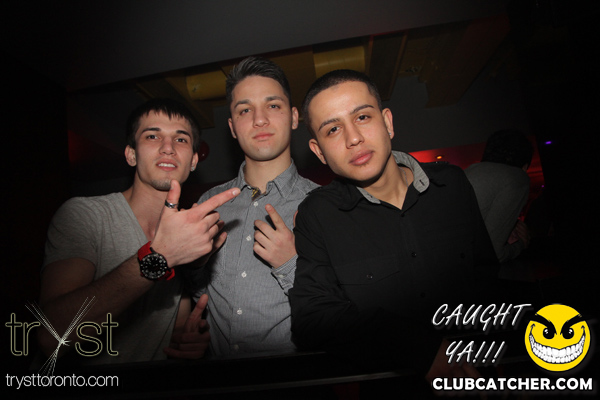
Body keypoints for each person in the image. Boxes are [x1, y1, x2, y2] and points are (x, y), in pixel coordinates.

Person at [289, 70, 497, 393]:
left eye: (362, 116)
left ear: (387, 122)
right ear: (319, 152)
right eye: (333, 129)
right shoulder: (318, 215)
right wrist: (418, 347)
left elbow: (487, 279)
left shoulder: (452, 184)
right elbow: (312, 319)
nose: (353, 138)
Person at [38, 98, 240, 365]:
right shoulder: (86, 215)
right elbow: (50, 335)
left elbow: (175, 330)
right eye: (152, 136)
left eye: (180, 139)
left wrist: (186, 341)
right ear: (131, 154)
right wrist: (160, 256)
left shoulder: (188, 233)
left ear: (193, 161)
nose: (167, 147)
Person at [189, 57, 319, 357]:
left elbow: (342, 308)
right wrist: (194, 269)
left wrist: (291, 265)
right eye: (245, 110)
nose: (259, 119)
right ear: (232, 127)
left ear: (294, 117)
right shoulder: (208, 205)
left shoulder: (323, 204)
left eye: (273, 105)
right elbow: (198, 295)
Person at [464, 129, 533, 263]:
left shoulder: (469, 171)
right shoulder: (517, 178)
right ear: (524, 167)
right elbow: (492, 253)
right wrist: (521, 244)